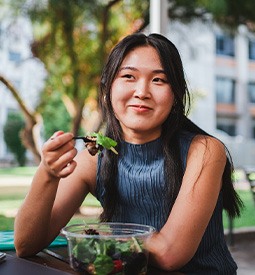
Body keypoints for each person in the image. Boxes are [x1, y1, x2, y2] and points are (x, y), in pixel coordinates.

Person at [14, 32, 243, 274]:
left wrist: (103, 233)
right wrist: (48, 174)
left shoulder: (205, 151)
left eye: (158, 80)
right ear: (107, 89)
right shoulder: (94, 160)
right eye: (128, 76)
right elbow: (26, 244)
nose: (142, 91)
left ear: (175, 95)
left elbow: (169, 254)